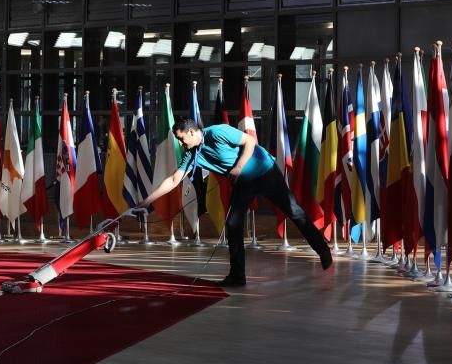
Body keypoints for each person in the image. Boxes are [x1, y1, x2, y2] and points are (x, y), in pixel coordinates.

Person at [133, 119, 333, 287]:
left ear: (192, 132)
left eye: (181, 138)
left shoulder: (218, 132)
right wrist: (147, 201)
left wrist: (238, 167)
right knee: (232, 224)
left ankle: (323, 250)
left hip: (265, 172)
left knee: (294, 211)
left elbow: (250, 141)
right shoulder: (192, 154)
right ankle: (237, 276)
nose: (180, 143)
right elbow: (174, 179)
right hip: (244, 184)